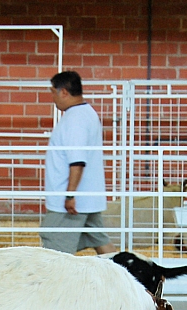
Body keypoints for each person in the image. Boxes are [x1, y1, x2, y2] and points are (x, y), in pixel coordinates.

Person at [39, 71, 115, 255]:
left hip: (72, 201)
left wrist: (70, 195)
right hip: (88, 197)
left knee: (55, 243)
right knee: (99, 240)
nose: (53, 98)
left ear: (64, 91)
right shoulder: (87, 113)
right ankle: (122, 276)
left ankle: (61, 282)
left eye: (53, 92)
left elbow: (77, 160)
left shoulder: (75, 120)